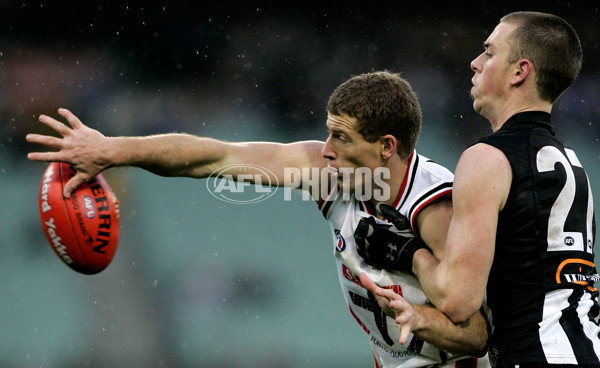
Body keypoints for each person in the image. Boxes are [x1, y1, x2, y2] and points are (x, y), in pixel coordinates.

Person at [27, 71, 490, 367]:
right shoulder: (331, 174)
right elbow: (212, 158)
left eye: (342, 138)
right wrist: (114, 151)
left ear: (386, 147)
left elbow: (478, 335)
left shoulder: (436, 207)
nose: (326, 149)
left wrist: (415, 295)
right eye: (328, 133)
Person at [355, 12, 599, 367]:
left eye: (489, 52)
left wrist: (402, 251)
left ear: (520, 71)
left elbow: (458, 300)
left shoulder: (486, 158)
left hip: (535, 353)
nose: (475, 62)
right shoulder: (572, 162)